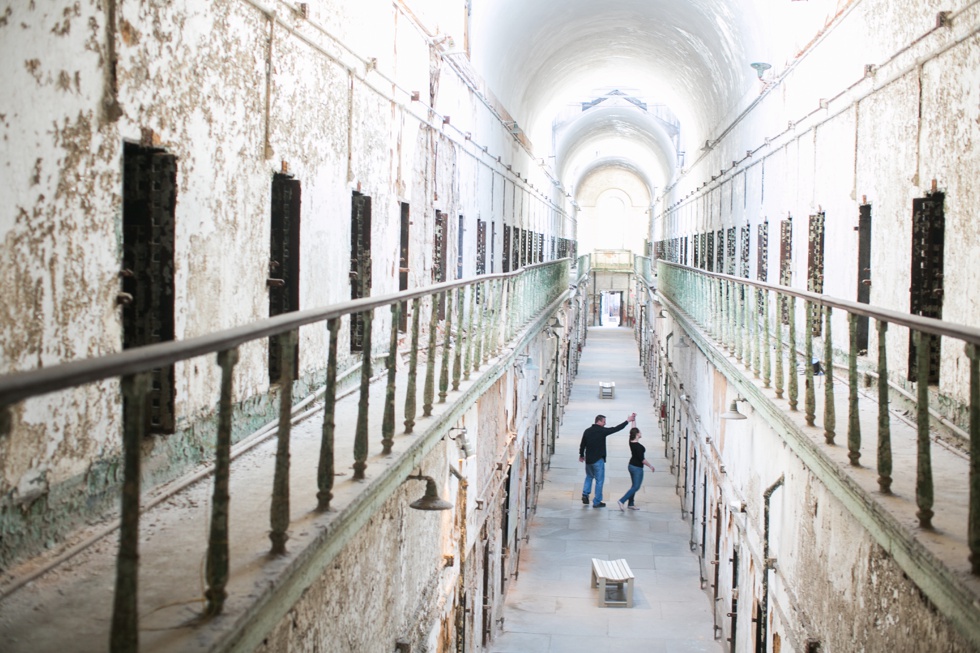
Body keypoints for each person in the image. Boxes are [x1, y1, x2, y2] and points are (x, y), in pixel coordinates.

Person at [579, 412, 636, 508]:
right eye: (604, 422)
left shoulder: (587, 431)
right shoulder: (602, 431)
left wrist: (581, 455)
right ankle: (597, 502)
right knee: (599, 481)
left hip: (588, 460)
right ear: (599, 421)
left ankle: (585, 494)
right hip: (598, 460)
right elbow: (616, 429)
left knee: (589, 476)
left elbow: (582, 444)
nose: (605, 423)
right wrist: (627, 421)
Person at [617, 426, 656, 511]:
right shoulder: (638, 447)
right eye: (640, 432)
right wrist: (650, 466)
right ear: (637, 434)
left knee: (633, 485)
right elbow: (642, 460)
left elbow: (633, 428)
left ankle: (631, 504)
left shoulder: (631, 442)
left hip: (631, 466)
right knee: (636, 487)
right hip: (637, 468)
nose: (641, 433)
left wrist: (633, 419)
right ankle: (622, 500)